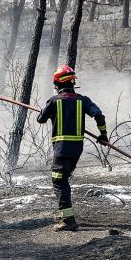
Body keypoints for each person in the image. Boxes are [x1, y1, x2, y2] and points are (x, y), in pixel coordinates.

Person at [36, 65, 109, 232]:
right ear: (72, 82)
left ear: (57, 84)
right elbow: (99, 115)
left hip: (61, 149)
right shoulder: (83, 100)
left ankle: (68, 220)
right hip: (76, 149)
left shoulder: (54, 101)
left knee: (59, 181)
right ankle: (65, 213)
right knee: (63, 179)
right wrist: (103, 135)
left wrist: (44, 110)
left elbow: (40, 119)